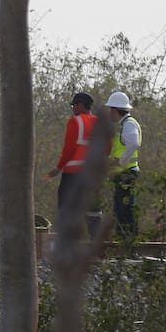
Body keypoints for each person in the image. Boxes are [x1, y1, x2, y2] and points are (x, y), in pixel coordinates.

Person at [45, 92, 96, 229]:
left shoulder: (75, 121)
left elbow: (69, 148)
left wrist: (58, 167)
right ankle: (97, 243)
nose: (73, 108)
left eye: (74, 105)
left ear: (80, 105)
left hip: (74, 173)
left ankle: (67, 242)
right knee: (92, 210)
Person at [105, 91, 141, 237]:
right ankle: (123, 241)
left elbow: (133, 143)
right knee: (120, 209)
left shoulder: (128, 124)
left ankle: (129, 243)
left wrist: (120, 161)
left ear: (114, 110)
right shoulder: (123, 124)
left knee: (125, 209)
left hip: (126, 173)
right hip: (121, 173)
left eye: (110, 110)